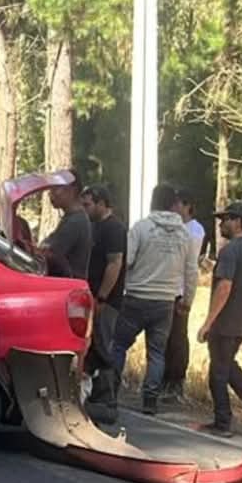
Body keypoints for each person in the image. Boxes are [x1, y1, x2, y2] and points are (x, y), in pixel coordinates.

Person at [108, 183, 199, 417]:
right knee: (157, 353)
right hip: (166, 301)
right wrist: (187, 299)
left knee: (119, 345)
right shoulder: (184, 234)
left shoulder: (141, 228)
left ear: (153, 201)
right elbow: (191, 270)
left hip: (137, 296)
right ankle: (150, 399)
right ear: (172, 204)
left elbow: (126, 260)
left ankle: (110, 392)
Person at [197, 201, 242, 435]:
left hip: (225, 322)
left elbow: (224, 287)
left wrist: (208, 322)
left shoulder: (230, 251)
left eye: (226, 219)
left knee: (218, 374)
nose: (221, 223)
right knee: (227, 367)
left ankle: (224, 422)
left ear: (239, 221)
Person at [81, 184, 126, 409]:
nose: (85, 209)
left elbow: (114, 263)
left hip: (106, 300)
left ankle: (107, 398)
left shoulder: (113, 229)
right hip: (93, 296)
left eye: (88, 204)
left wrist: (102, 297)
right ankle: (97, 393)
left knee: (103, 345)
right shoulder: (95, 226)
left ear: (101, 203)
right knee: (95, 344)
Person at [162, 190, 206, 402]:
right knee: (165, 337)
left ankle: (176, 380)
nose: (173, 208)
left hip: (179, 289)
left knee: (178, 337)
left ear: (187, 206)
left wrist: (188, 296)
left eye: (177, 203)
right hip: (168, 286)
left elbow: (190, 265)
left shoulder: (194, 231)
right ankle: (163, 378)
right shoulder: (175, 227)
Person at [39, 170, 91, 278]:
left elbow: (50, 254)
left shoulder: (75, 221)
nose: (51, 194)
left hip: (70, 286)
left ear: (73, 190)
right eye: (50, 189)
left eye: (56, 188)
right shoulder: (71, 218)